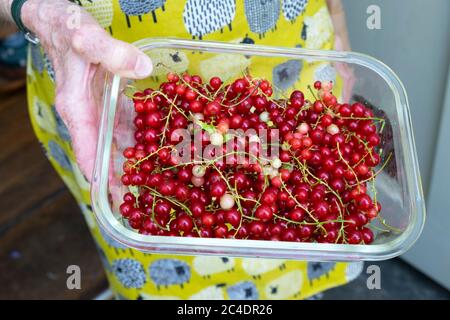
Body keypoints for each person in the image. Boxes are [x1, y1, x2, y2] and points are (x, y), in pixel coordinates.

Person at [0, 0, 361, 299]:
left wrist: (338, 19)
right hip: (108, 94)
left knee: (301, 234)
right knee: (148, 238)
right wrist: (38, 12)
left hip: (293, 68)